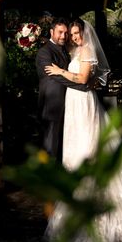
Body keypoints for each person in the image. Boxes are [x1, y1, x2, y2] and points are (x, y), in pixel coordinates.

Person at [43, 18, 122, 242]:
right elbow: (84, 79)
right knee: (74, 151)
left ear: (84, 32)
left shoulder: (87, 49)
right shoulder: (74, 51)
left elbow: (82, 79)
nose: (74, 37)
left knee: (88, 150)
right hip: (74, 104)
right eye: (71, 34)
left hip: (84, 104)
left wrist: (60, 71)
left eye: (77, 33)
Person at [35, 17, 92, 162]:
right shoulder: (44, 52)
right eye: (60, 32)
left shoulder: (67, 50)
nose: (64, 36)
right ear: (51, 32)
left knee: (65, 142)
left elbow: (78, 70)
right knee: (50, 143)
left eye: (66, 33)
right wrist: (82, 84)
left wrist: (87, 79)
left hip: (70, 104)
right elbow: (57, 78)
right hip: (52, 105)